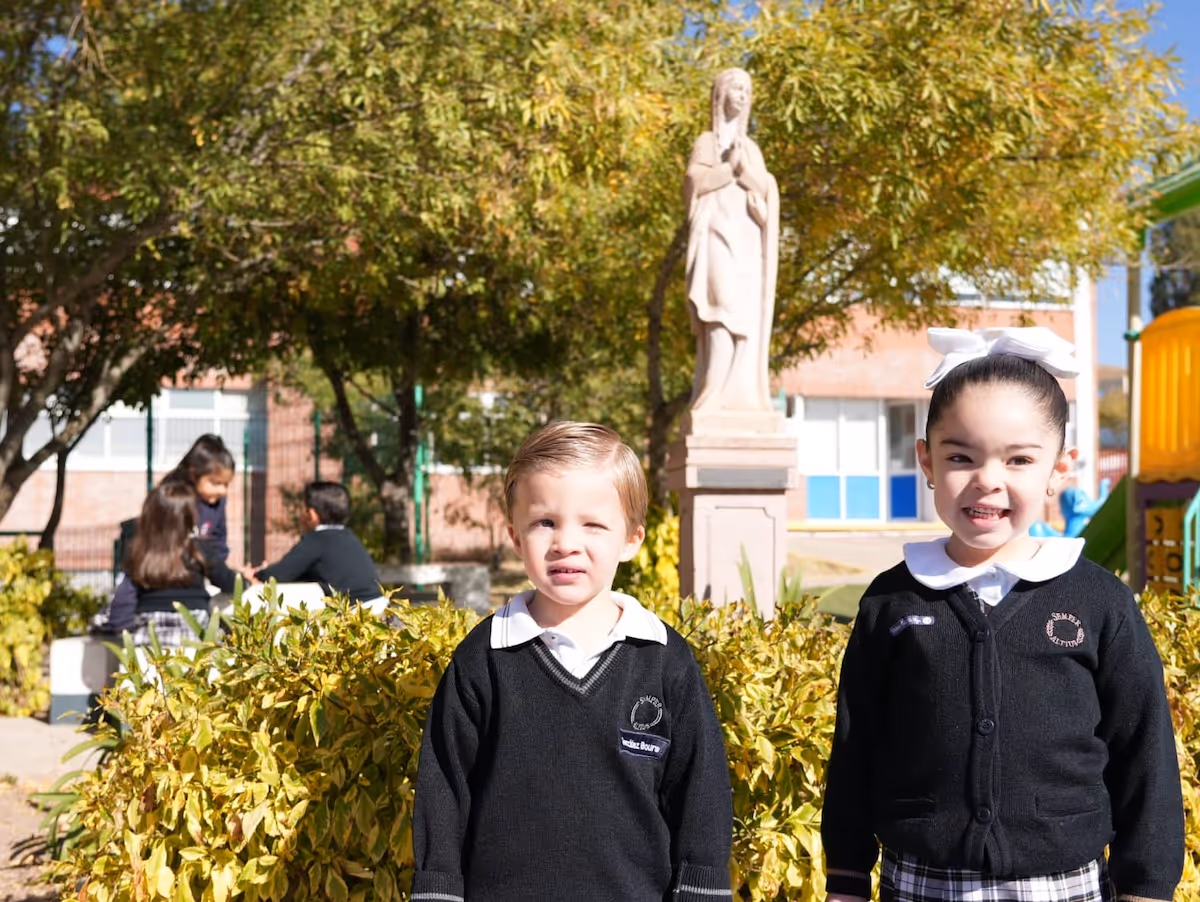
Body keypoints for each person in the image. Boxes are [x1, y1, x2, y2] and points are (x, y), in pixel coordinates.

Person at [822, 327, 1184, 902]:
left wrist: (1146, 887)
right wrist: (845, 878)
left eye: (1019, 459)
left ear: (1059, 470)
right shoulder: (892, 602)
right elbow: (855, 749)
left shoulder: (1099, 602)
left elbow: (1145, 754)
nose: (988, 479)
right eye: (960, 456)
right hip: (919, 883)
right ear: (927, 460)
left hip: (1064, 886)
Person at [411, 421, 733, 902]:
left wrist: (702, 890)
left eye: (593, 524)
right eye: (545, 522)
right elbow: (444, 787)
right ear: (515, 537)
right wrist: (437, 891)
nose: (566, 543)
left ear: (631, 539)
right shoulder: (484, 658)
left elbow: (701, 790)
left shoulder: (664, 659)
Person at [683, 67, 779, 415]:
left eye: (746, 90)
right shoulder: (708, 143)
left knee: (742, 319)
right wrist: (729, 169)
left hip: (747, 249)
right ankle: (712, 393)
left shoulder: (749, 148)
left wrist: (751, 180)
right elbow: (695, 182)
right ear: (720, 94)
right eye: (735, 88)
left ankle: (738, 397)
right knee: (719, 311)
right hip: (716, 239)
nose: (741, 95)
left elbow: (765, 194)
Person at [94, 434, 237, 635]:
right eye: (215, 483)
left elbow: (219, 542)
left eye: (226, 485)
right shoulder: (173, 495)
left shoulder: (213, 509)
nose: (222, 491)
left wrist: (216, 567)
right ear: (194, 473)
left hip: (193, 579)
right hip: (166, 579)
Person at [127, 480, 239, 647]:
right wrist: (245, 579)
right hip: (194, 629)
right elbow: (230, 582)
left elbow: (125, 595)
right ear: (191, 516)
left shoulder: (139, 551)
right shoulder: (198, 548)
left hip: (149, 632)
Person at [251, 481, 380, 603]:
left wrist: (256, 574)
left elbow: (279, 575)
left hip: (352, 614)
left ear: (311, 514)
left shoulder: (317, 540)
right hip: (377, 607)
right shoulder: (350, 538)